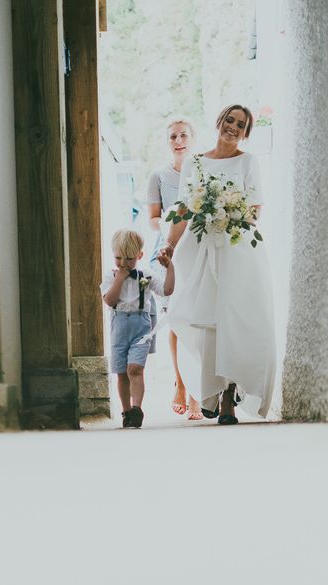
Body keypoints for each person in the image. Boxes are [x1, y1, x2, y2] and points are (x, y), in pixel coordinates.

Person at [164, 105, 275, 425]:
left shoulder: (248, 162)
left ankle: (229, 397)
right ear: (219, 122)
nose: (233, 127)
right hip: (202, 250)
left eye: (241, 125)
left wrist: (228, 213)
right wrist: (169, 246)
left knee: (234, 320)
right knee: (207, 321)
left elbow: (254, 211)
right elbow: (184, 209)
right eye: (230, 120)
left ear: (246, 133)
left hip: (239, 250)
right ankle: (210, 390)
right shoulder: (195, 163)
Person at [146, 119, 204, 421]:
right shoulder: (158, 175)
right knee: (175, 317)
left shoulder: (203, 169)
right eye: (172, 136)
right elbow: (153, 218)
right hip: (170, 252)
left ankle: (197, 394)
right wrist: (170, 223)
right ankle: (180, 384)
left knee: (198, 319)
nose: (178, 140)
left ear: (192, 138)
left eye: (183, 135)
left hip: (197, 250)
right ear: (167, 141)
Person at [100, 229, 174, 428]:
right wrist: (119, 279)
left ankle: (137, 408)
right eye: (118, 257)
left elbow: (167, 290)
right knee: (122, 373)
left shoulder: (146, 275)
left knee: (135, 368)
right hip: (119, 326)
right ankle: (126, 412)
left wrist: (169, 268)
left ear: (140, 256)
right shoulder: (111, 275)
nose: (123, 263)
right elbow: (110, 300)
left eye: (129, 259)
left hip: (141, 326)